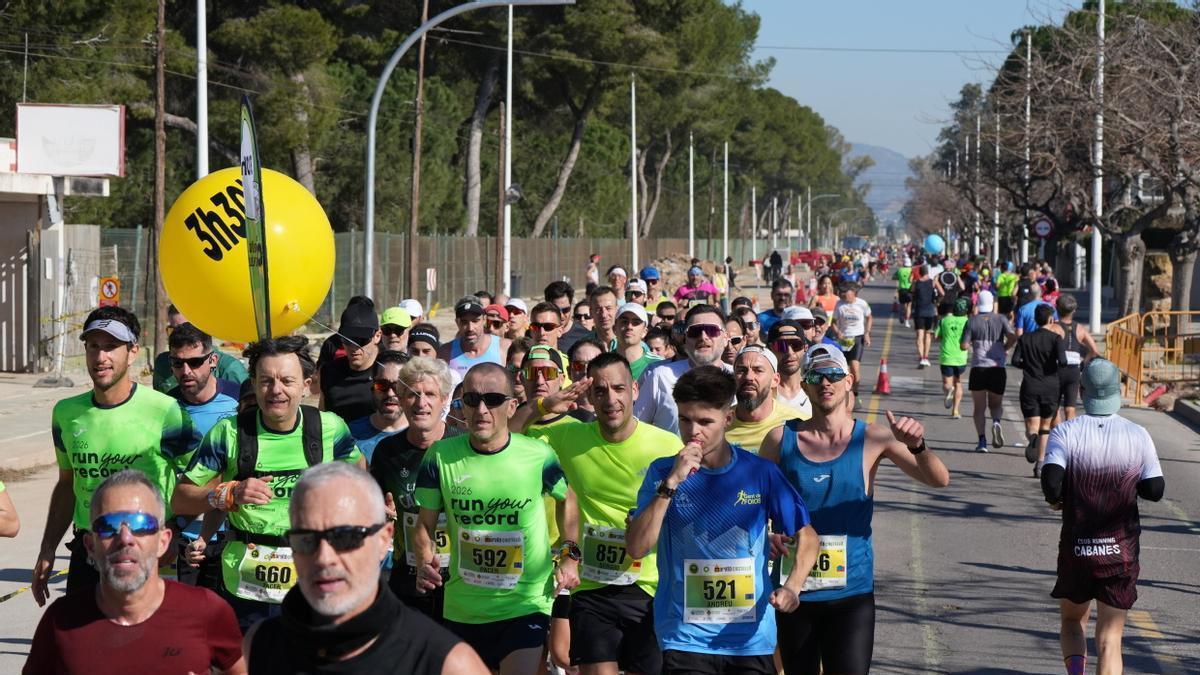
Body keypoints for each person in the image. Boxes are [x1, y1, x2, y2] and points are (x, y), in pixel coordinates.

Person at [760, 344, 950, 675]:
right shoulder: (780, 439)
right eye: (816, 376)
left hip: (851, 594)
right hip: (794, 590)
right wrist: (767, 535)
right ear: (804, 385)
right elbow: (755, 501)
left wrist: (918, 447)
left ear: (848, 381)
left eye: (834, 374)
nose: (825, 382)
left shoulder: (874, 438)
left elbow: (938, 479)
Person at [626, 366, 819, 675]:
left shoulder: (760, 472)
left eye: (705, 422)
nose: (693, 431)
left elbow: (807, 536)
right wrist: (671, 484)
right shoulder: (662, 472)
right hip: (684, 638)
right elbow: (637, 548)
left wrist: (793, 588)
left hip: (749, 640)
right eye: (685, 420)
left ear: (728, 419)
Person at [173, 336, 364, 631]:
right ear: (253, 382)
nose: (276, 390)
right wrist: (229, 493)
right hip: (245, 588)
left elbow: (361, 480)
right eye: (266, 381)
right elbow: (181, 499)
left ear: (306, 384)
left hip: (312, 581)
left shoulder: (330, 428)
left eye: (287, 381)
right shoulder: (228, 432)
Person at [513, 351, 679, 675]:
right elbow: (507, 437)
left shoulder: (666, 445)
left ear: (634, 390)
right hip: (591, 588)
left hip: (649, 586)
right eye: (600, 391)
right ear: (589, 396)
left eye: (618, 388)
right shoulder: (568, 437)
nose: (610, 399)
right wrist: (543, 406)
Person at [245, 462, 488, 674]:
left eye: (345, 537)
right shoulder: (260, 644)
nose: (324, 558)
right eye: (305, 539)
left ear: (384, 539)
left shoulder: (447, 662)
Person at [35, 307, 198, 606]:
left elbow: (201, 479)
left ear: (132, 352)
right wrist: (47, 549)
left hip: (146, 546)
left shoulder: (165, 410)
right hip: (89, 549)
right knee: (82, 635)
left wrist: (176, 528)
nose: (101, 357)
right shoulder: (66, 413)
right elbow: (67, 484)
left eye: (111, 346)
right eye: (93, 346)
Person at [412, 362, 569, 674]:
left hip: (525, 602)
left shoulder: (538, 455)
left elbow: (569, 500)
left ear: (512, 406)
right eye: (472, 400)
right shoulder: (439, 456)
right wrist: (423, 560)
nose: (481, 410)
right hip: (463, 605)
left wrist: (570, 553)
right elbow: (424, 526)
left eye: (493, 400)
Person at [26, 470, 245, 675]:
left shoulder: (206, 610)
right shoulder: (61, 620)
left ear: (163, 541)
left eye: (141, 525)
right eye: (108, 527)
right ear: (90, 545)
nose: (125, 539)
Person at [1041, 359, 1164, 675]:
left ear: (1082, 392)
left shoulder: (1065, 432)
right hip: (1120, 551)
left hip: (1078, 547)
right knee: (1111, 638)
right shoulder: (1138, 434)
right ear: (1118, 391)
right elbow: (1154, 489)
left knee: (1072, 620)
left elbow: (1051, 484)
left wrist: (1059, 499)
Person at [370, 356, 462, 619]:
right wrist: (380, 514)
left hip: (460, 584)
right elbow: (375, 509)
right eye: (412, 394)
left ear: (444, 399)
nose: (421, 403)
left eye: (430, 394)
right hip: (408, 582)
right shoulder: (387, 451)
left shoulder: (464, 446)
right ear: (401, 399)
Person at [165, 322, 241, 588]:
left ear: (213, 360)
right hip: (185, 539)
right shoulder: (165, 409)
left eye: (195, 362)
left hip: (235, 536)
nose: (186, 371)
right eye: (177, 363)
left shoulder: (240, 399)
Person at [634, 304, 730, 434]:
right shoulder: (660, 376)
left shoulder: (738, 377)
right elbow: (636, 429)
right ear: (686, 339)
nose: (703, 337)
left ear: (725, 338)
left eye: (712, 330)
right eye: (695, 332)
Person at [1012, 304, 1068, 478]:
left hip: (1030, 385)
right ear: (1051, 319)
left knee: (1032, 425)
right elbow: (1063, 361)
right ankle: (1040, 464)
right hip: (1050, 386)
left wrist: (1028, 365)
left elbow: (1015, 361)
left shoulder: (1025, 338)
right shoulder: (1056, 339)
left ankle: (1032, 438)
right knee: (1045, 426)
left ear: (1035, 319)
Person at [962, 291, 1018, 453]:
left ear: (977, 303)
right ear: (992, 303)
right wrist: (1005, 347)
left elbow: (964, 346)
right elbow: (1013, 337)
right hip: (997, 368)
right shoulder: (1001, 319)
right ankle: (996, 422)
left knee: (979, 408)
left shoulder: (972, 321)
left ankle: (982, 441)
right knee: (996, 404)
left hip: (978, 368)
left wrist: (973, 343)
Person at [727, 345, 806, 454]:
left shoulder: (797, 424)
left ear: (775, 380)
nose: (749, 377)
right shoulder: (717, 424)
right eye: (741, 370)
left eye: (758, 370)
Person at [153, 304, 249, 393]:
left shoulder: (229, 368)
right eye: (172, 330)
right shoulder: (163, 363)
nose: (178, 336)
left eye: (195, 362)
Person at [320, 301, 383, 424]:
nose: (354, 347)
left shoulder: (387, 371)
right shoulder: (329, 371)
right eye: (347, 340)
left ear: (377, 336)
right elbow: (322, 416)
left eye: (361, 340)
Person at [347, 350, 410, 463]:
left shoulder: (421, 434)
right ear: (372, 387)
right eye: (382, 385)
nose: (390, 393)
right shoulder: (350, 434)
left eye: (398, 386)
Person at [1047, 295, 1098, 422]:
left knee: (1055, 407)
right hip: (1074, 371)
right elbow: (1094, 350)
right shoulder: (1080, 328)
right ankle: (1070, 432)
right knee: (1070, 408)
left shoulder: (1053, 328)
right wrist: (1084, 363)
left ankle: (1059, 432)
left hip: (1057, 370)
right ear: (1074, 311)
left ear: (1057, 309)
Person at [442, 297, 509, 379]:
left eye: (475, 321)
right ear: (457, 323)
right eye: (464, 322)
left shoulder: (505, 348)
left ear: (484, 320)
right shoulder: (445, 353)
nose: (470, 328)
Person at [830, 283, 873, 406]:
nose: (843, 295)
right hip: (843, 339)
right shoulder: (839, 304)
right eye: (841, 292)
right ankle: (845, 395)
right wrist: (837, 332)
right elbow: (833, 322)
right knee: (844, 370)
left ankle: (855, 394)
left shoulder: (862, 303)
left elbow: (869, 318)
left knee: (854, 368)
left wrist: (867, 333)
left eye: (845, 292)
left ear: (853, 292)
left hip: (857, 338)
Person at [934, 297, 971, 419]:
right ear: (965, 310)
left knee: (947, 384)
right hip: (961, 358)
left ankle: (949, 390)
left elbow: (936, 336)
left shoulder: (944, 320)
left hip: (947, 357)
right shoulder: (968, 321)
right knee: (958, 384)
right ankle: (955, 411)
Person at [770, 320, 814, 417]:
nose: (789, 352)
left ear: (805, 347)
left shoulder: (816, 389)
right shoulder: (763, 390)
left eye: (796, 345)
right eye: (781, 346)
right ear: (771, 349)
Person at [615, 302, 665, 381]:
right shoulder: (603, 363)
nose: (629, 327)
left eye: (636, 323)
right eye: (624, 321)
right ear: (614, 328)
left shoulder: (659, 364)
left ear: (644, 332)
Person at [547, 281, 588, 354]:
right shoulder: (539, 333)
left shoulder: (585, 336)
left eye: (566, 310)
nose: (561, 315)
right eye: (556, 310)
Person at [911, 265, 938, 368]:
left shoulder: (916, 282)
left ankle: (921, 358)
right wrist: (936, 302)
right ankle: (926, 357)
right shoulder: (932, 282)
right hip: (930, 311)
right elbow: (942, 293)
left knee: (919, 336)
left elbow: (911, 292)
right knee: (928, 335)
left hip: (919, 311)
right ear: (927, 272)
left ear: (920, 273)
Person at [892, 258, 914, 328]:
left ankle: (901, 316)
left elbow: (893, 277)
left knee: (902, 304)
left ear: (904, 264)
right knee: (909, 305)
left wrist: (900, 278)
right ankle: (907, 321)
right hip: (910, 289)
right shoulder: (912, 270)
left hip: (901, 289)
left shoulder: (900, 270)